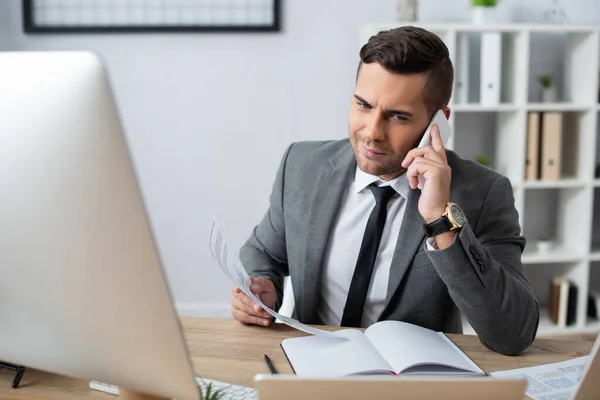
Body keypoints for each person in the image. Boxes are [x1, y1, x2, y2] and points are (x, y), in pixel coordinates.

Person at [230, 26, 539, 356]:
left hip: (413, 378)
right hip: (310, 363)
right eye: (364, 105)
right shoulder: (303, 165)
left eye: (398, 116)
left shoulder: (482, 192)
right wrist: (263, 287)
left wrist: (440, 220)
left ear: (438, 121)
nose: (372, 132)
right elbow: (263, 252)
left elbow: (513, 334)